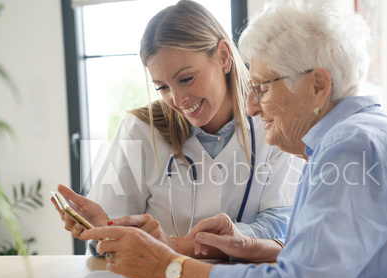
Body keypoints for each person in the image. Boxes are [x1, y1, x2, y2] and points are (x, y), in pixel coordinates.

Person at [80, 0, 387, 278]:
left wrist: (169, 267)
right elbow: (329, 261)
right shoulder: (351, 140)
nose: (251, 106)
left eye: (263, 88)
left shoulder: (353, 149)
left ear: (318, 85)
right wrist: (255, 247)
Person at [54, 0, 303, 257]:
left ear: (224, 57)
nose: (177, 98)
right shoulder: (139, 131)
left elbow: (281, 227)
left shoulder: (271, 124)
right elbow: (109, 237)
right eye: (162, 87)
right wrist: (100, 230)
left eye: (186, 79)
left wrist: (175, 245)